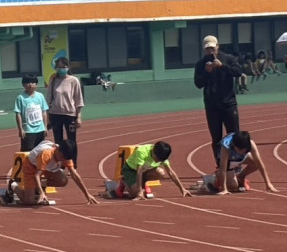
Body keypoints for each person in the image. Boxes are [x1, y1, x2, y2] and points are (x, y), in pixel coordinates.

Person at [193, 35, 242, 166]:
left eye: (212, 48)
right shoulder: (201, 64)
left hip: (228, 103)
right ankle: (220, 164)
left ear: (218, 47)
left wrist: (222, 66)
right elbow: (198, 84)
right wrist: (206, 72)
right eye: (207, 49)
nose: (210, 51)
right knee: (216, 137)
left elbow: (238, 71)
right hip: (212, 105)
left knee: (234, 135)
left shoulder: (228, 58)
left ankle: (236, 163)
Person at [6, 138, 98, 206]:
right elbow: (37, 175)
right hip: (31, 166)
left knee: (63, 181)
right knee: (29, 201)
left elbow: (75, 175)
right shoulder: (46, 154)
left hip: (47, 167)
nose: (62, 160)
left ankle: (41, 185)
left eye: (64, 159)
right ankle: (13, 185)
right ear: (58, 150)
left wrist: (87, 195)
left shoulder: (65, 156)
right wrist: (41, 193)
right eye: (61, 157)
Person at [114, 141, 192, 200]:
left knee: (161, 172)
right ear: (153, 152)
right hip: (131, 170)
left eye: (160, 160)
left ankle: (142, 185)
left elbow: (171, 173)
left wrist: (182, 189)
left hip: (145, 171)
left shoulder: (162, 155)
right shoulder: (142, 152)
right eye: (157, 159)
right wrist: (139, 191)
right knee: (135, 193)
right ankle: (124, 181)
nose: (158, 161)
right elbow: (139, 172)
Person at [211, 131, 278, 195]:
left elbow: (259, 163)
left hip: (240, 158)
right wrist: (224, 189)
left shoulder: (251, 144)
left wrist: (268, 183)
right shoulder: (226, 146)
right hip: (228, 160)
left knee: (255, 164)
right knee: (233, 186)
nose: (241, 152)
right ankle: (218, 176)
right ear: (234, 145)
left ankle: (240, 177)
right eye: (239, 150)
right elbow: (223, 168)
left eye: (244, 150)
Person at [46, 56, 84, 166]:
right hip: (55, 114)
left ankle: (73, 164)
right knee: (58, 141)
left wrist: (78, 116)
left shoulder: (74, 80)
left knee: (72, 141)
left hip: (70, 114)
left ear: (68, 67)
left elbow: (78, 99)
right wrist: (48, 117)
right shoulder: (53, 80)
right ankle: (60, 164)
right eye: (59, 67)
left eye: (63, 67)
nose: (61, 69)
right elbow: (48, 98)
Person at [14, 73, 50, 152]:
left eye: (33, 82)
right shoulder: (20, 98)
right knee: (27, 150)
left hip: (40, 129)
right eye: (27, 82)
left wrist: (45, 127)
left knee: (40, 150)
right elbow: (18, 114)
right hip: (28, 130)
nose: (30, 84)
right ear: (23, 84)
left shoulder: (40, 96)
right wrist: (20, 129)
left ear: (36, 84)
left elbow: (44, 111)